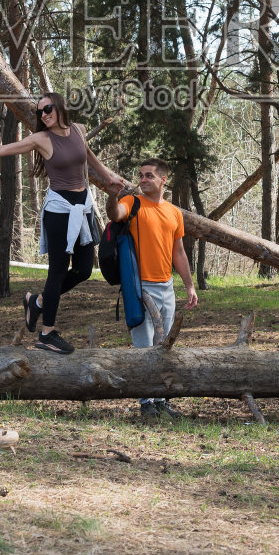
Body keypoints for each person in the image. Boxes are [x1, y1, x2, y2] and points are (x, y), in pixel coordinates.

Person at [0, 92, 129, 354]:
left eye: (47, 109)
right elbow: (1, 150)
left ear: (60, 108)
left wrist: (110, 178)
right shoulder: (41, 139)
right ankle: (47, 334)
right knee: (57, 272)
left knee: (84, 270)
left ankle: (37, 301)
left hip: (83, 207)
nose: (43, 114)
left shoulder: (78, 129)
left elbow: (90, 159)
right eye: (39, 112)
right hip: (59, 211)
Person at [109, 156, 199, 420]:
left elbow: (179, 252)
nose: (143, 180)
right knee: (143, 345)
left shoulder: (173, 212)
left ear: (163, 179)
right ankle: (146, 403)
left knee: (163, 345)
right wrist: (113, 196)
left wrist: (190, 286)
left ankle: (160, 401)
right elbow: (114, 215)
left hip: (166, 287)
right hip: (139, 286)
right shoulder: (132, 203)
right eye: (141, 175)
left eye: (149, 175)